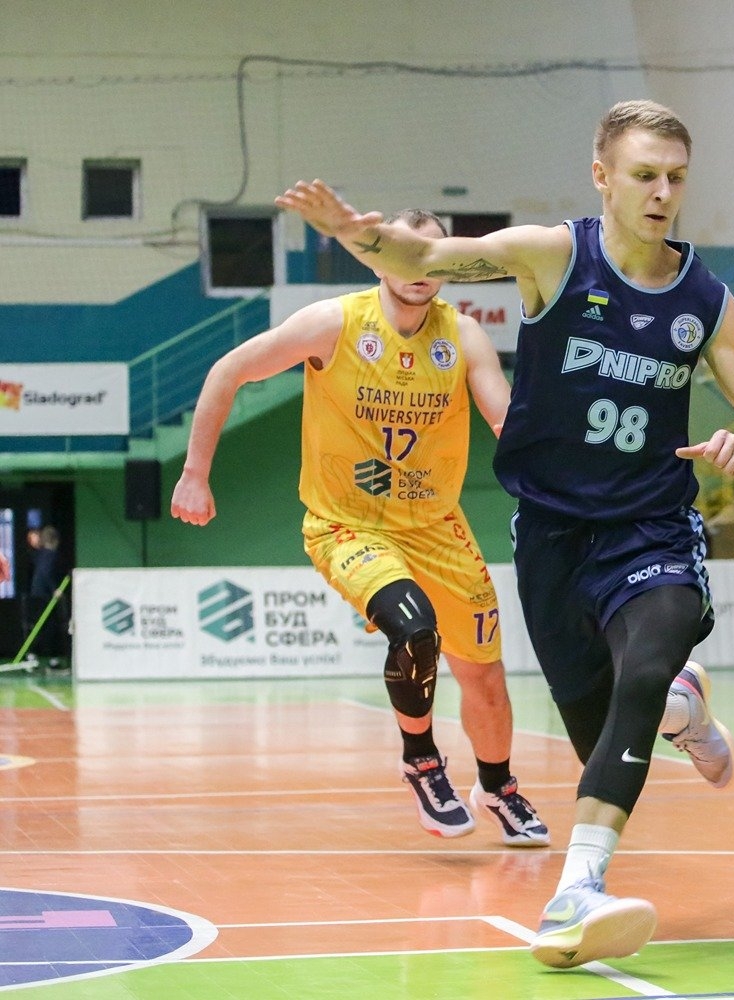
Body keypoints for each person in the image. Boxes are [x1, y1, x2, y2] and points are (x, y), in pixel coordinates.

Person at [276, 99, 734, 970]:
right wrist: (354, 233)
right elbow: (425, 258)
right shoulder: (553, 256)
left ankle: (577, 890)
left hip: (652, 523)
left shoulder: (707, 301)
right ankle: (682, 708)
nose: (662, 193)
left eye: (676, 178)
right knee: (604, 723)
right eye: (645, 175)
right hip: (552, 535)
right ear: (603, 177)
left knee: (646, 662)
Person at [171, 209, 551, 850]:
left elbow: (503, 418)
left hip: (437, 526)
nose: (417, 269)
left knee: (485, 677)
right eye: (404, 253)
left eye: (430, 256)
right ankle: (422, 762)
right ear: (378, 260)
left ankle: (498, 787)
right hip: (348, 525)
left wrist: (548, 460)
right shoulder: (334, 323)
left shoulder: (463, 336)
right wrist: (194, 473)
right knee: (415, 629)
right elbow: (227, 370)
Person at [24, 526, 68, 669]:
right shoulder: (50, 555)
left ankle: (43, 657)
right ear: (55, 541)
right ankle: (38, 656)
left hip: (37, 594)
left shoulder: (39, 554)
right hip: (45, 596)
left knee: (43, 626)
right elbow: (46, 572)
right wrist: (54, 589)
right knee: (48, 627)